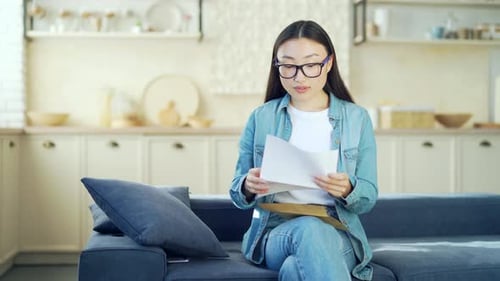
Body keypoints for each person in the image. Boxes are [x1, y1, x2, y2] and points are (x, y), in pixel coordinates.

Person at [229, 20, 378, 281]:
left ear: (329, 63)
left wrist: (348, 189)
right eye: (288, 66)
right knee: (309, 230)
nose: (299, 76)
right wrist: (248, 185)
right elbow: (237, 194)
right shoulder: (261, 117)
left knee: (294, 270)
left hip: (337, 230)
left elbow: (369, 196)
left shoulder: (357, 119)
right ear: (277, 67)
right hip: (274, 231)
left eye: (310, 65)